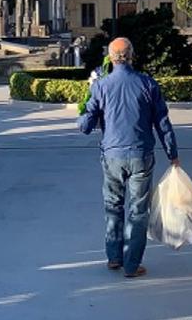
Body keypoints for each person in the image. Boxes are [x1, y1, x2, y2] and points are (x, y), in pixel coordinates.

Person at [77, 37, 179, 279]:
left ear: (110, 58)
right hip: (141, 155)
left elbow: (85, 125)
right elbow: (162, 122)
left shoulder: (101, 86)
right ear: (131, 55)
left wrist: (85, 107)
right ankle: (132, 264)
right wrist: (172, 154)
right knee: (138, 210)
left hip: (112, 155)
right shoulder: (147, 84)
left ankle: (114, 257)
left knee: (113, 205)